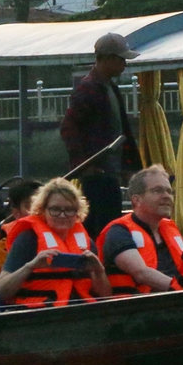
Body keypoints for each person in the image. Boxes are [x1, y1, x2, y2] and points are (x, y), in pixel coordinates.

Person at [59, 31, 143, 237]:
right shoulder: (88, 89)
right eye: (121, 59)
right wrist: (83, 165)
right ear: (107, 59)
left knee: (108, 223)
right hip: (97, 172)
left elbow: (121, 130)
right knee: (102, 227)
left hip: (110, 171)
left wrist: (130, 167)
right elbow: (68, 127)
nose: (124, 64)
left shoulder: (109, 87)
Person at [0, 178, 111, 306]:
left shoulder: (87, 243)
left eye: (69, 210)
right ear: (43, 210)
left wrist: (99, 271)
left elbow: (105, 295)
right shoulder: (28, 240)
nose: (62, 215)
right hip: (40, 316)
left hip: (81, 314)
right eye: (55, 209)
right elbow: (1, 292)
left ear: (78, 212)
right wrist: (30, 266)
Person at [98, 165, 183, 294]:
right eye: (158, 190)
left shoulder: (170, 229)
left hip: (176, 303)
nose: (167, 196)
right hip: (136, 308)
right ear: (136, 200)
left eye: (169, 191)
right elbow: (141, 273)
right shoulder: (118, 232)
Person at [0, 177, 43, 272]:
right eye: (30, 206)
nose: (38, 210)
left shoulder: (65, 234)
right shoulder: (1, 249)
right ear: (16, 213)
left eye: (43, 204)